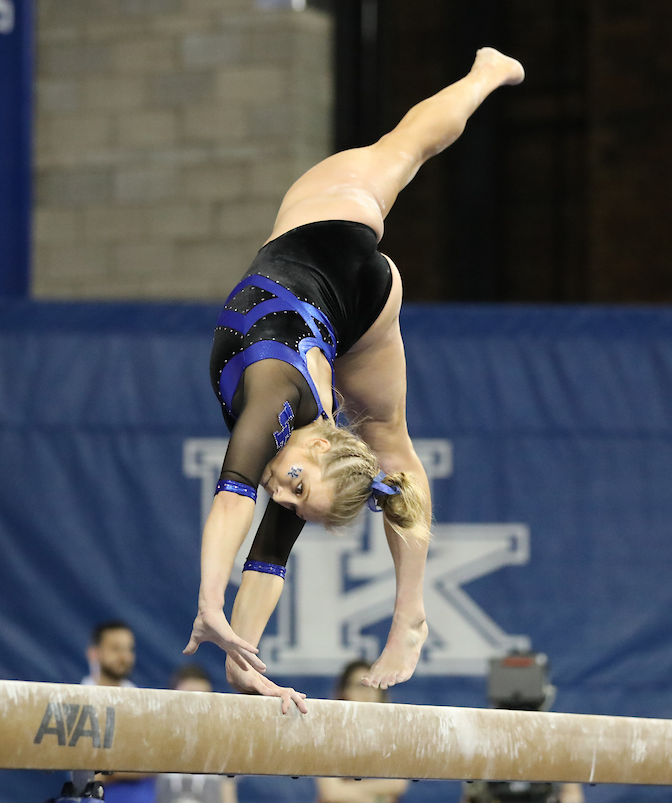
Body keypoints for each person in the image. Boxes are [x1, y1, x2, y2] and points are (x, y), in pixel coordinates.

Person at [183, 47, 526, 714]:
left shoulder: (296, 471)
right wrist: (218, 620)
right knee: (407, 145)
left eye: (288, 496)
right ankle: (485, 71)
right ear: (316, 443)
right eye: (296, 488)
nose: (278, 496)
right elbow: (232, 504)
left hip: (346, 305)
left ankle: (410, 609)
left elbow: (270, 544)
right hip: (332, 226)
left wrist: (238, 648)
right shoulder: (274, 397)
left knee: (394, 448)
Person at [82, 621, 156, 803]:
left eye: (128, 649)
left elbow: (154, 763)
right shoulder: (80, 699)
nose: (124, 657)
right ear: (94, 653)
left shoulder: (142, 701)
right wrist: (133, 767)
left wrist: (111, 771)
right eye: (115, 649)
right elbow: (90, 773)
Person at [315, 660, 408, 803]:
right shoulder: (328, 734)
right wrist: (376, 798)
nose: (367, 692)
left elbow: (397, 784)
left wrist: (349, 792)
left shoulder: (391, 734)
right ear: (345, 691)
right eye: (361, 685)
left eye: (373, 685)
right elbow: (332, 793)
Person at [155, 665, 238, 803]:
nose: (194, 709)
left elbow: (228, 796)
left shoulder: (223, 745)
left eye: (201, 700)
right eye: (188, 699)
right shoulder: (157, 741)